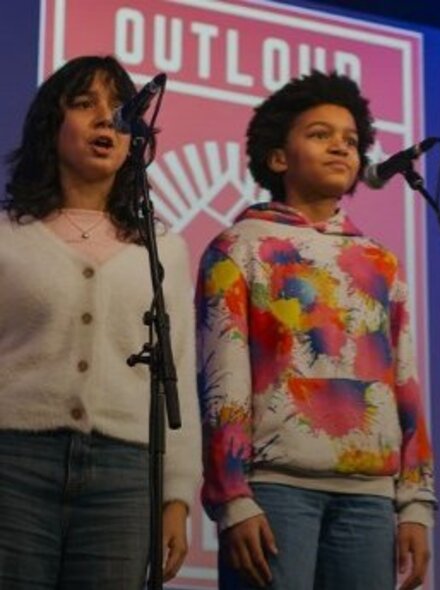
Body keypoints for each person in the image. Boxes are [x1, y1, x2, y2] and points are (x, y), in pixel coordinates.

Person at [196, 71, 436, 590]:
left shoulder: (378, 260)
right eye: (320, 134)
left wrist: (415, 501)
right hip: (275, 489)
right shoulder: (239, 246)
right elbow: (222, 382)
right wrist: (233, 497)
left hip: (370, 493)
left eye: (351, 140)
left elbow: (406, 384)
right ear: (279, 158)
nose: (340, 147)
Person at [0, 55, 200, 589]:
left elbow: (175, 373)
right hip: (13, 462)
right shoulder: (7, 237)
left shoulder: (164, 249)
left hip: (125, 474)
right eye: (85, 105)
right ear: (52, 124)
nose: (106, 119)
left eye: (119, 109)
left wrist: (178, 495)